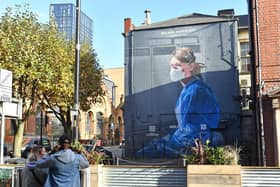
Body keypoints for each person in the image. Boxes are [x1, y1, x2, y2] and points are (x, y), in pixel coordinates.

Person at [136, 47, 220, 158]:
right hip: (186, 138)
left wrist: (168, 142)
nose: (173, 70)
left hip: (194, 143)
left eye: (177, 66)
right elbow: (183, 126)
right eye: (172, 67)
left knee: (142, 153)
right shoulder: (188, 89)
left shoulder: (197, 91)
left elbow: (195, 129)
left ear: (190, 66)